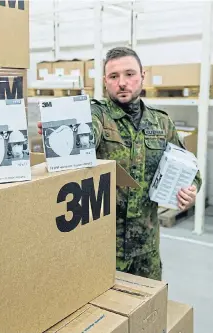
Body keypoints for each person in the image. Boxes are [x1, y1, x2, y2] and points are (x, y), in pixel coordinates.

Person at [38, 47, 202, 280]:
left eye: (130, 74)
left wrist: (191, 190)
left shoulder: (161, 122)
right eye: (114, 77)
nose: (122, 83)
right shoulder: (95, 116)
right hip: (102, 249)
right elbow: (81, 140)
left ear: (142, 76)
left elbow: (189, 169)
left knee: (148, 312)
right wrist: (62, 135)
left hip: (147, 250)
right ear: (105, 81)